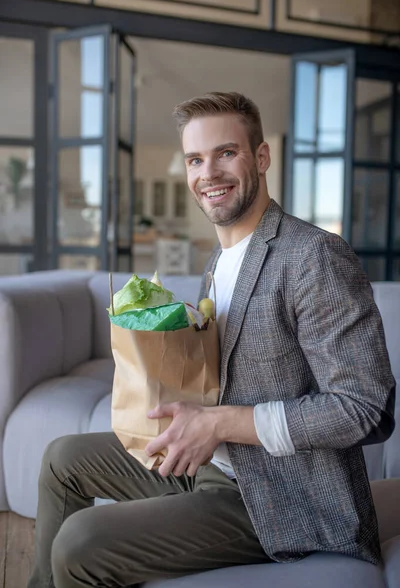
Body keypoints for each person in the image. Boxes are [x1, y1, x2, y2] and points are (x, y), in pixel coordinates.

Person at [28, 92, 395, 588]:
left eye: (226, 153)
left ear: (261, 158)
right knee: (62, 459)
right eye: (196, 159)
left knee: (80, 542)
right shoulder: (216, 265)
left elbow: (366, 408)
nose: (209, 173)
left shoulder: (314, 255)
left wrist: (220, 423)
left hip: (281, 498)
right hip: (214, 463)